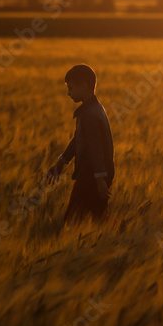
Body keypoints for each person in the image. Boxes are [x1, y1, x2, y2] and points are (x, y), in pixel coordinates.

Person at [45, 64, 114, 224]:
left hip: (90, 177)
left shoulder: (90, 114)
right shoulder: (93, 109)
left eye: (71, 88)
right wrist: (61, 162)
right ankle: (125, 233)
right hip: (94, 175)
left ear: (83, 86)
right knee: (98, 219)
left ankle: (125, 232)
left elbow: (96, 148)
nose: (68, 93)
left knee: (72, 221)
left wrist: (100, 179)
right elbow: (78, 140)